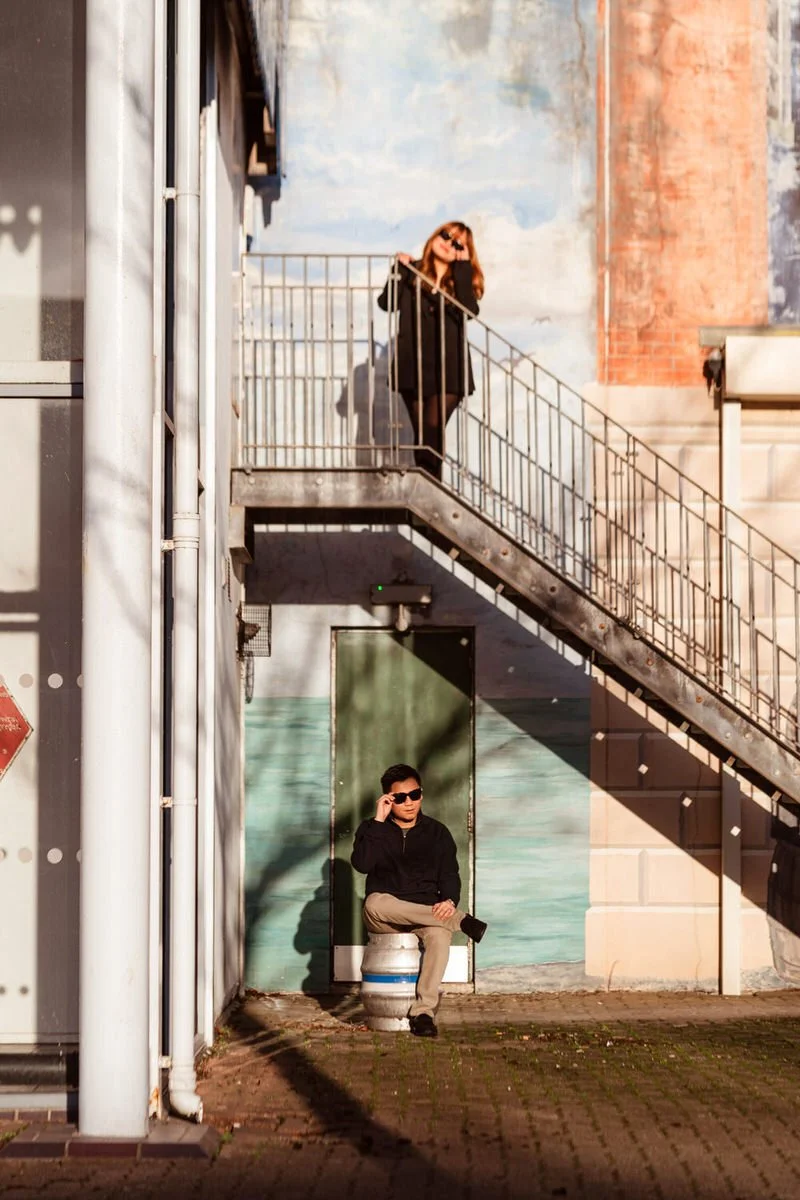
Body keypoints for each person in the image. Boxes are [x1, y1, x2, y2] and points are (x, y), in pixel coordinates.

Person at [351, 762, 487, 1038]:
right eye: (400, 798)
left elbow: (450, 874)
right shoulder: (371, 830)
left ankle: (423, 1013)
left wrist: (449, 900)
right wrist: (378, 821)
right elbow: (362, 864)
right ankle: (461, 921)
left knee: (439, 934)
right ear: (388, 800)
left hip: (426, 916)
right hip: (385, 917)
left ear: (421, 794)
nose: (409, 803)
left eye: (415, 794)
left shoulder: (438, 834)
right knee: (374, 903)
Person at [377, 222, 484, 479]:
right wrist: (397, 271)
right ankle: (428, 492)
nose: (448, 243)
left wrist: (461, 266)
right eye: (445, 236)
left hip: (449, 367)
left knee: (432, 427)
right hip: (412, 364)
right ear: (434, 236)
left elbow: (469, 311)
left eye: (457, 243)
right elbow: (386, 304)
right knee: (422, 432)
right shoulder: (412, 271)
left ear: (464, 252)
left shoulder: (461, 279)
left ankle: (429, 491)